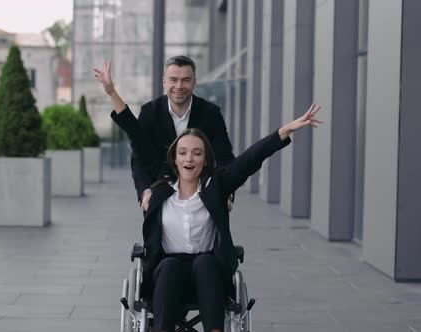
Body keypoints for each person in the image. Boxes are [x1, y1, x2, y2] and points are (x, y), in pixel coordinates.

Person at [94, 61, 322, 332]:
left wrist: (285, 131)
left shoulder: (215, 186)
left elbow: (250, 158)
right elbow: (137, 138)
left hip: (209, 270)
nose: (189, 158)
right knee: (168, 266)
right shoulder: (161, 187)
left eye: (197, 153)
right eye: (183, 153)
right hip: (167, 270)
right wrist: (111, 91)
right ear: (173, 159)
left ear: (205, 159)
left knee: (204, 263)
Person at [129, 55, 235, 212]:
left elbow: (224, 157)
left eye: (185, 80)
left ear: (194, 82)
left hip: (203, 197)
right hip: (160, 195)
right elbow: (139, 158)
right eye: (173, 79)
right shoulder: (149, 113)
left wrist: (226, 193)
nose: (179, 86)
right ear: (165, 82)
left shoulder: (211, 113)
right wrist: (145, 192)